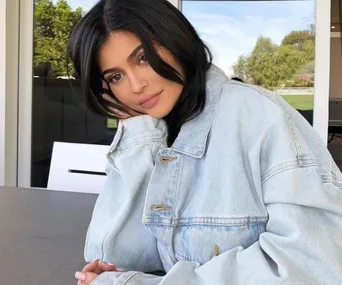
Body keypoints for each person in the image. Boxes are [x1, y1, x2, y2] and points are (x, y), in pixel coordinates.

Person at [68, 0, 342, 284]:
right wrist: (139, 132)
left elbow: (312, 263)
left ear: (175, 40)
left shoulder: (261, 117)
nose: (136, 86)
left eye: (144, 58)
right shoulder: (150, 128)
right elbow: (110, 252)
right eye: (116, 77)